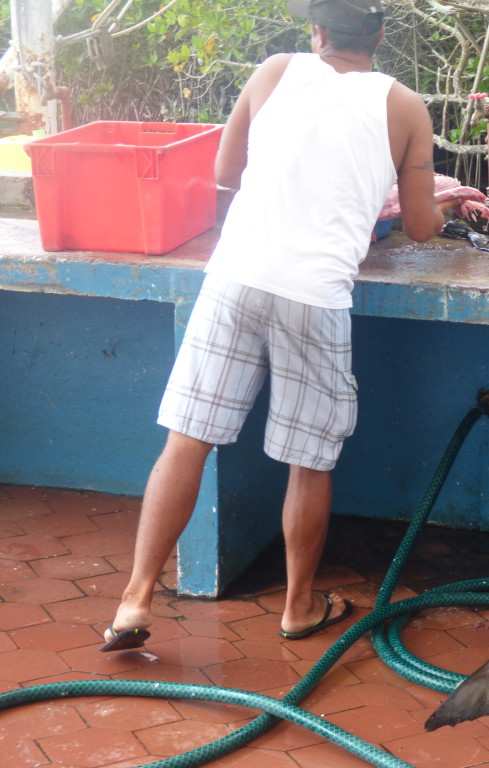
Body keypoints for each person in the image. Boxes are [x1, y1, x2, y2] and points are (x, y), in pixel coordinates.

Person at [101, 0, 452, 650]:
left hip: (235, 276)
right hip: (314, 297)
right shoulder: (404, 106)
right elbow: (422, 224)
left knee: (188, 440)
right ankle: (297, 608)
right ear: (378, 33)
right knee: (307, 461)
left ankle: (133, 600)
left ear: (316, 31)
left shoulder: (273, 73)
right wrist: (421, 197)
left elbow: (225, 173)